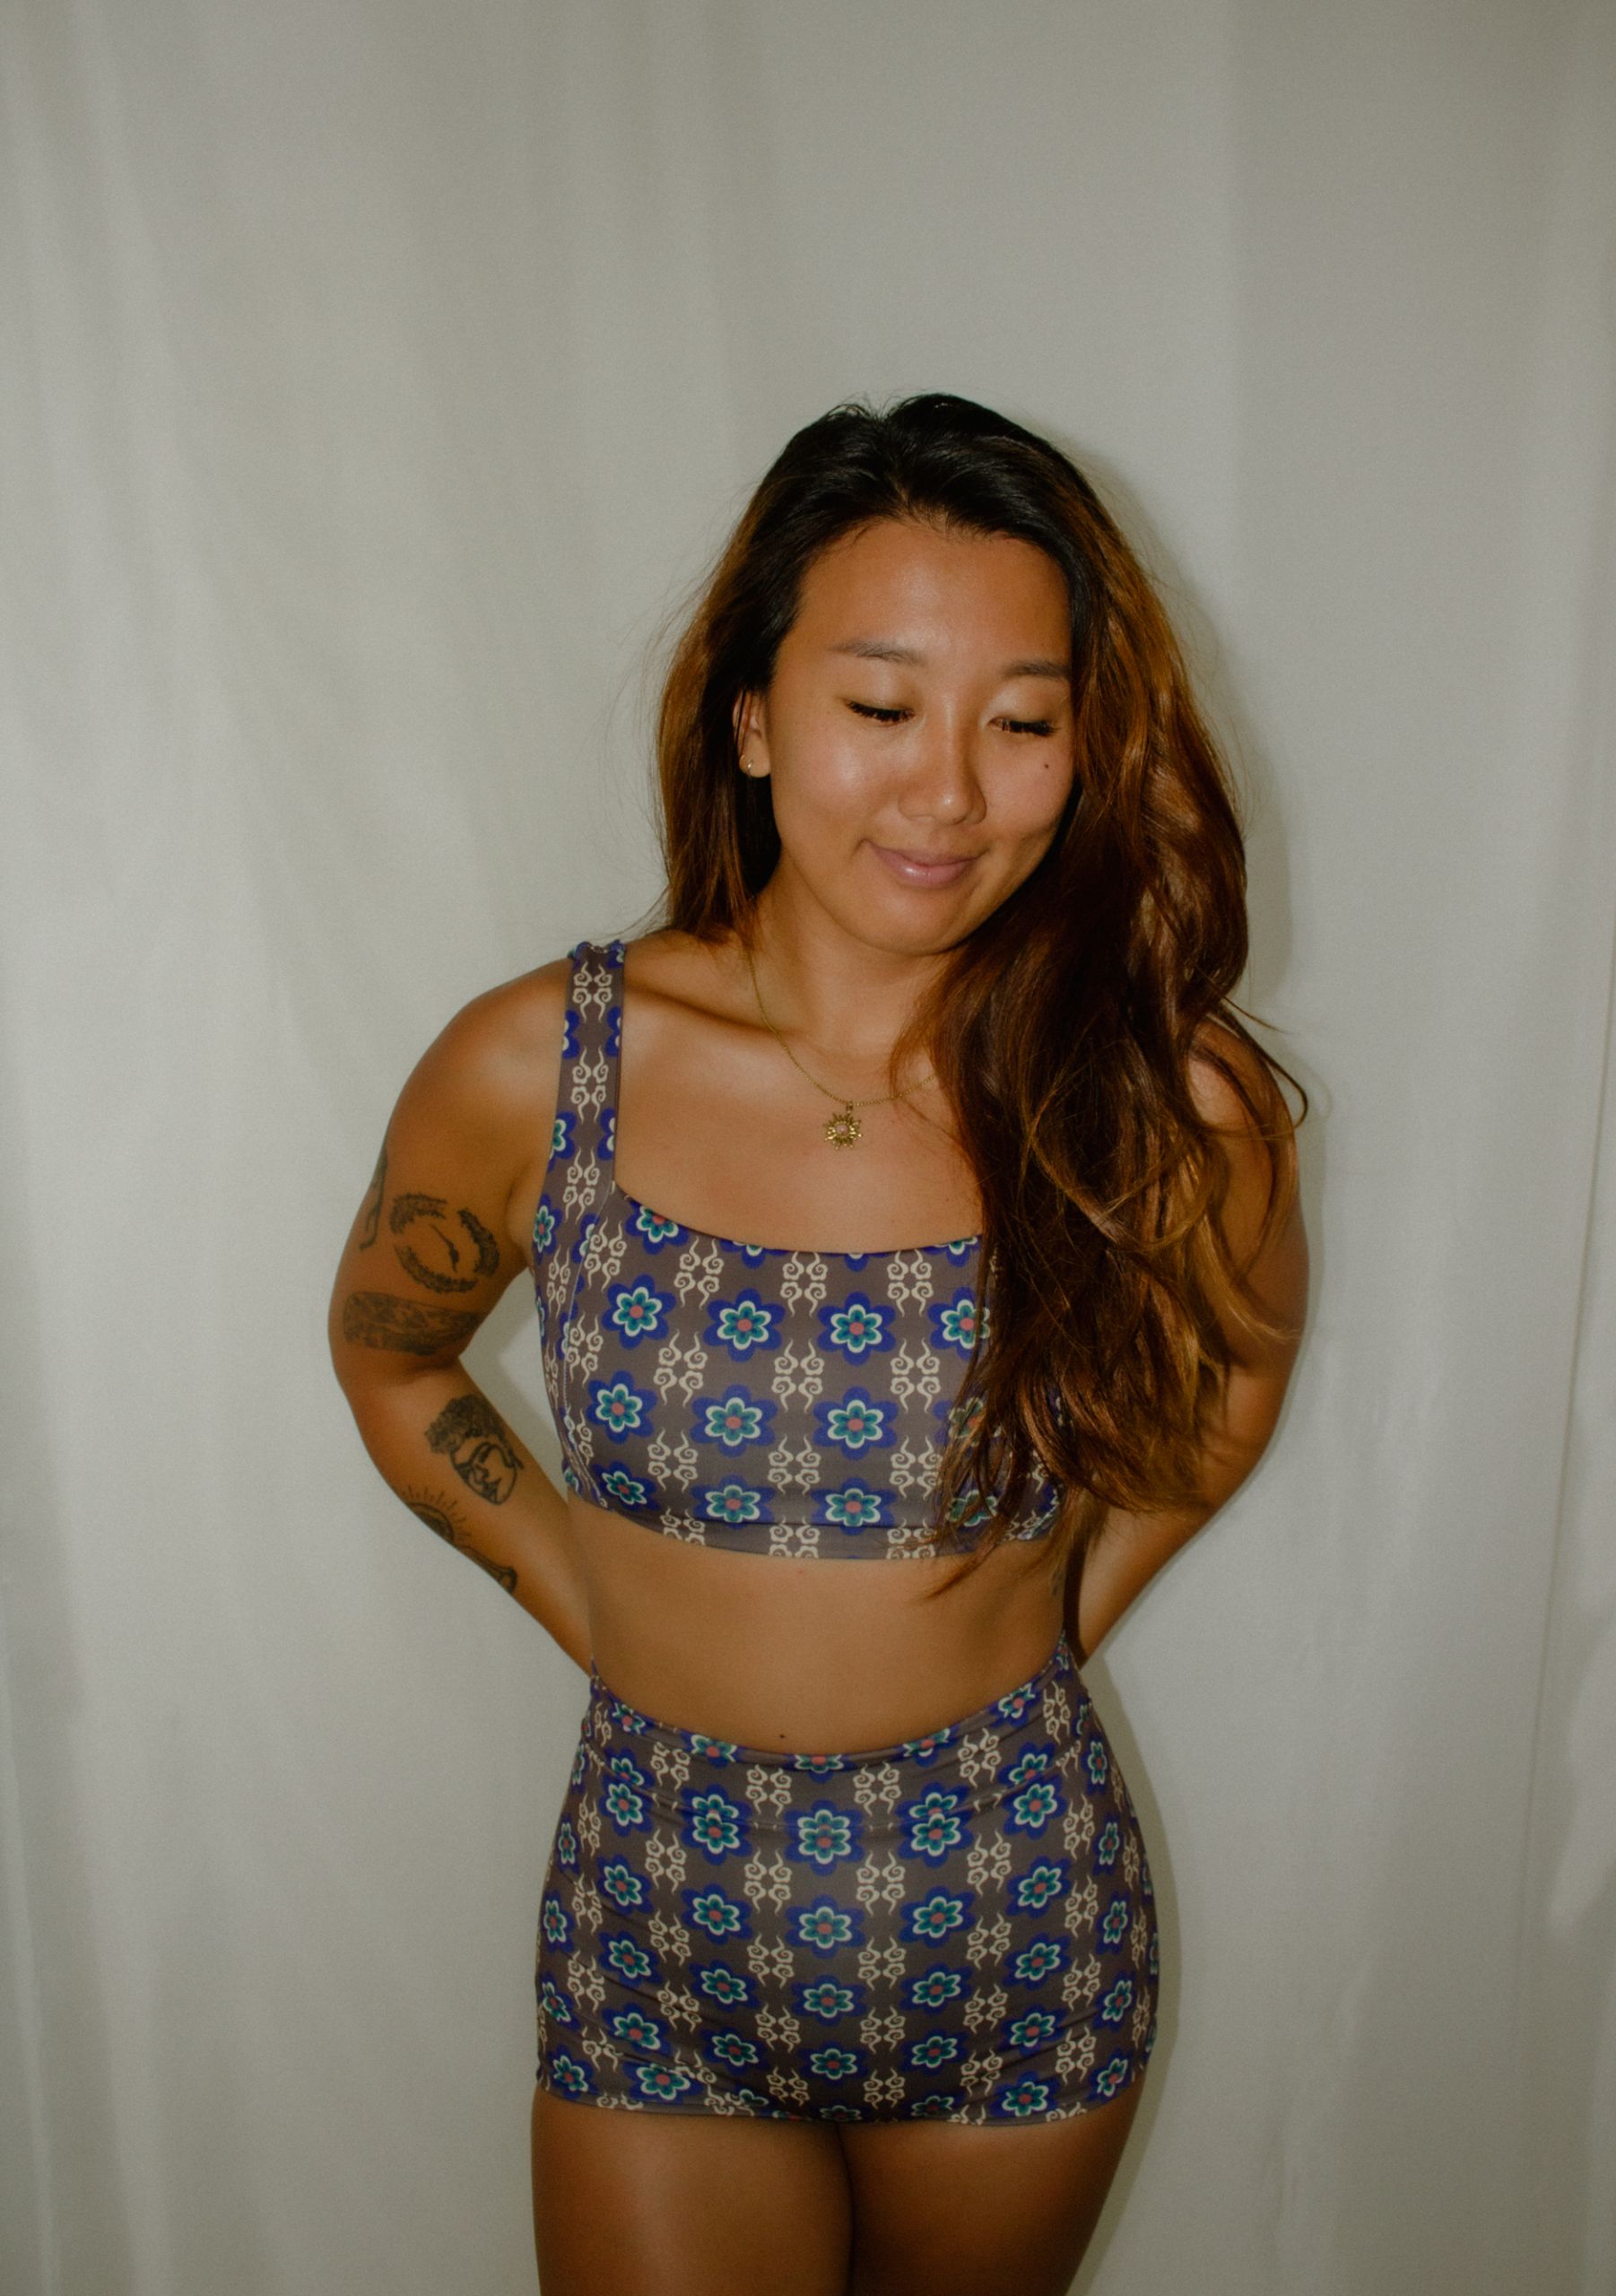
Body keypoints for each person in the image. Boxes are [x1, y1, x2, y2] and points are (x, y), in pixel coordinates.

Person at [327, 393, 1308, 2296]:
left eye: (1022, 721)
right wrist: (595, 1600)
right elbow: (391, 1351)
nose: (949, 794)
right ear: (755, 716)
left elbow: (1242, 1372)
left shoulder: (1164, 1096)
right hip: (658, 1926)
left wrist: (1048, 1616)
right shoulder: (542, 1065)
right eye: (881, 705)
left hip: (1015, 1914)